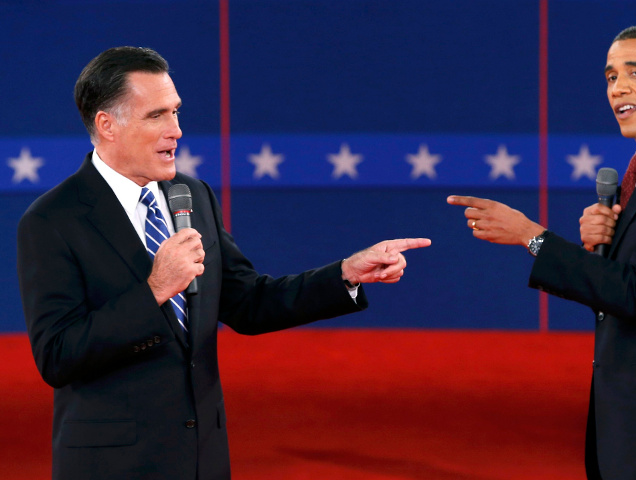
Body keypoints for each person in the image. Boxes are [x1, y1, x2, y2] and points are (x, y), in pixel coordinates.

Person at [17, 46, 430, 480]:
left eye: (176, 112)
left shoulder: (192, 196)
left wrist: (345, 274)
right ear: (107, 125)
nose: (176, 130)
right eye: (156, 116)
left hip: (202, 458)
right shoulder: (52, 220)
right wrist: (155, 290)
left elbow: (249, 302)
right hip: (112, 464)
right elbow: (57, 356)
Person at [448, 25, 636, 479]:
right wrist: (602, 248)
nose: (618, 88)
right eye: (610, 77)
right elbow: (629, 285)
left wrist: (531, 236)